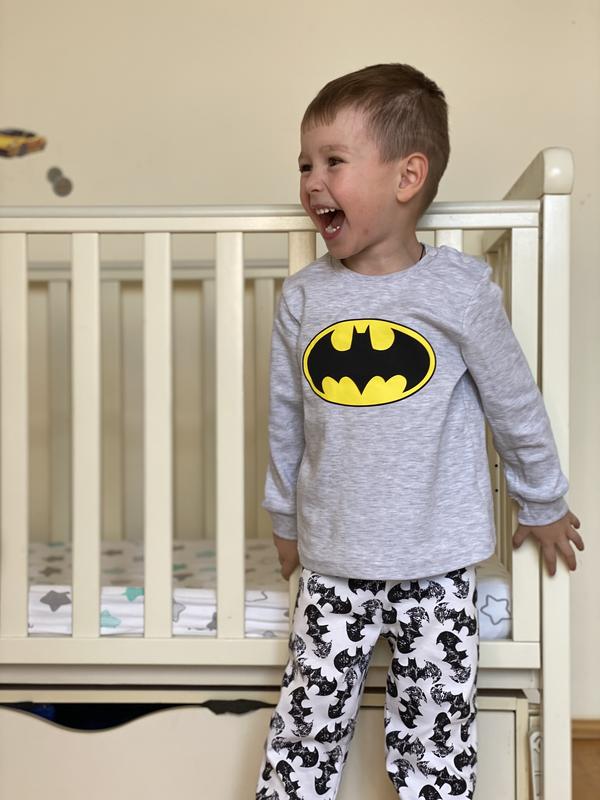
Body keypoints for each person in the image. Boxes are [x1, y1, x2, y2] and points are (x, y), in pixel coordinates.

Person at [255, 63, 583, 800]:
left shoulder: (459, 291)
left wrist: (542, 499)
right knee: (307, 726)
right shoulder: (305, 298)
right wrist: (285, 520)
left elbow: (514, 404)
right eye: (305, 164)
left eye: (333, 162)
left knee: (436, 731)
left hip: (437, 562)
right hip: (333, 563)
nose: (312, 182)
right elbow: (286, 422)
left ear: (408, 177)